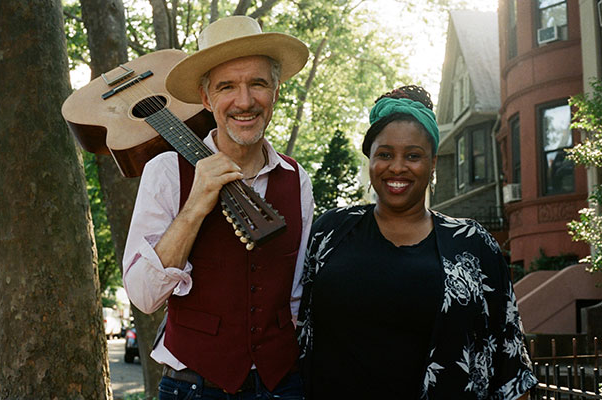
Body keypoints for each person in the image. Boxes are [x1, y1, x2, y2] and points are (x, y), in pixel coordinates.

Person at [296, 85, 537, 399]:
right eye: (384, 154)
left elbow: (511, 365)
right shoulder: (331, 231)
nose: (397, 167)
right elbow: (298, 331)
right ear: (370, 159)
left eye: (413, 155)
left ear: (433, 162)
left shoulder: (472, 244)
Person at [122, 15, 314, 399]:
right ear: (207, 98)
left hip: (282, 385)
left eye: (258, 83)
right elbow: (143, 297)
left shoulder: (297, 179)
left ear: (276, 90)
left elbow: (297, 297)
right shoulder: (167, 170)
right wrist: (194, 207)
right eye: (227, 86)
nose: (244, 101)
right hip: (194, 386)